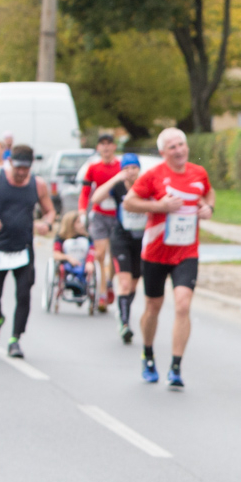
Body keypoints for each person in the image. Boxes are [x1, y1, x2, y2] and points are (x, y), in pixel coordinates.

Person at [125, 127, 215, 388]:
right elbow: (129, 202)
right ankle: (148, 354)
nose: (178, 150)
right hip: (155, 251)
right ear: (163, 152)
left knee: (183, 305)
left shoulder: (199, 173)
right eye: (172, 147)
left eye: (181, 145)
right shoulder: (153, 176)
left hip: (187, 252)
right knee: (153, 307)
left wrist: (209, 207)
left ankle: (175, 367)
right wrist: (159, 206)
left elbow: (208, 193)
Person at [0, 142, 56, 358]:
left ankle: (15, 339)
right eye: (17, 167)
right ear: (9, 162)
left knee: (23, 294)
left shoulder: (38, 185)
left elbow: (50, 211)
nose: (21, 172)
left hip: (23, 248)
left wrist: (46, 223)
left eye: (25, 168)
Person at [88, 153, 145, 344]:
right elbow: (96, 198)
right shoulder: (118, 186)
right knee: (125, 282)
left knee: (134, 283)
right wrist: (115, 179)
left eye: (134, 168)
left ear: (139, 169)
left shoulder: (146, 185)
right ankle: (125, 323)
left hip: (141, 239)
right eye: (126, 168)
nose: (130, 172)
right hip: (121, 238)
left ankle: (122, 312)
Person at [78, 133, 123, 312]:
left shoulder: (121, 166)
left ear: (114, 147)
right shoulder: (93, 168)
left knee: (114, 254)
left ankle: (110, 282)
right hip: (99, 214)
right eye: (102, 144)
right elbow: (85, 192)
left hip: (117, 215)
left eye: (109, 144)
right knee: (100, 253)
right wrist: (82, 211)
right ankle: (102, 292)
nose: (105, 147)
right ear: (98, 148)